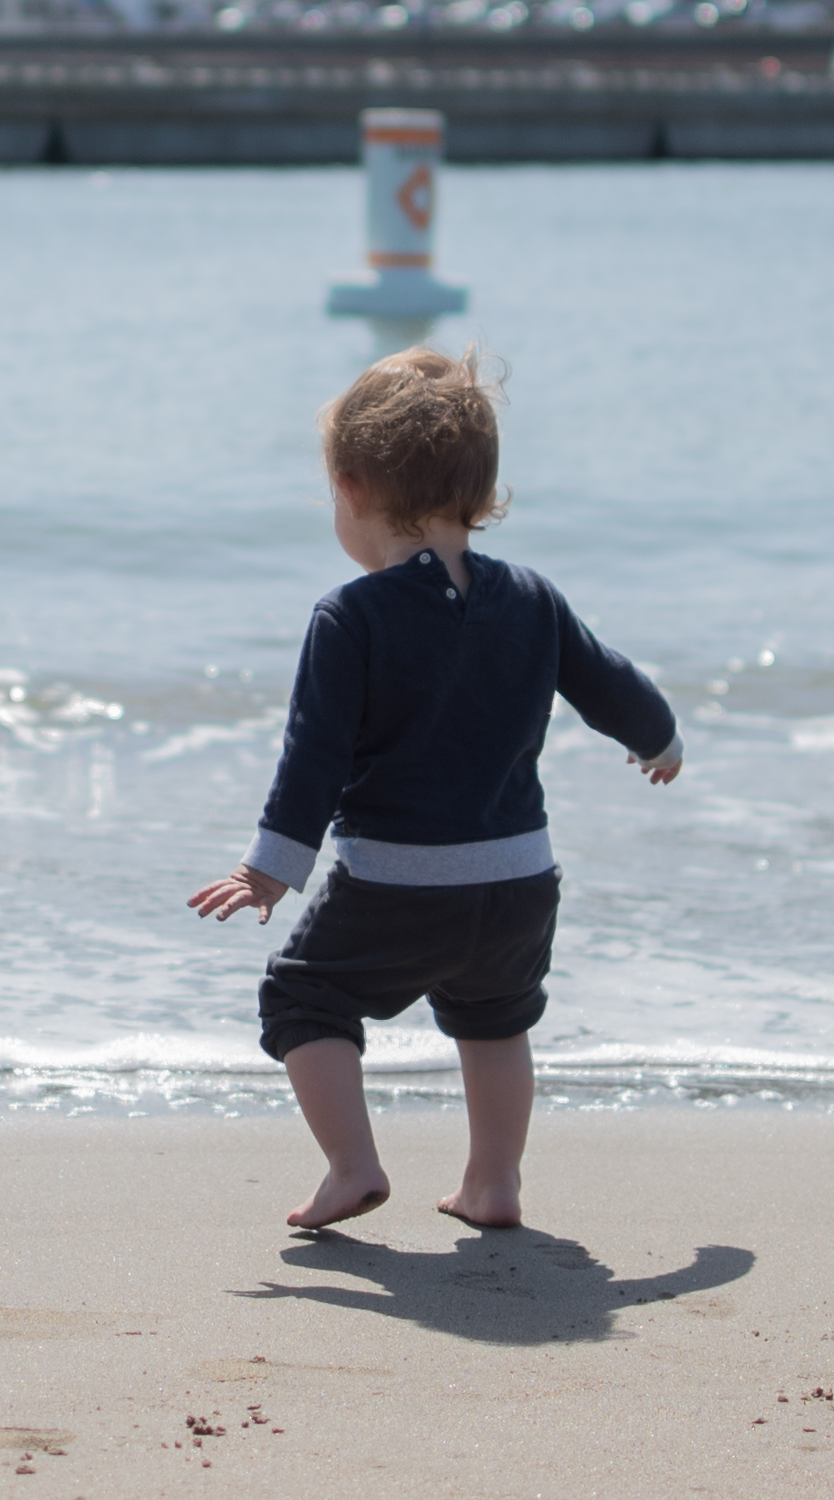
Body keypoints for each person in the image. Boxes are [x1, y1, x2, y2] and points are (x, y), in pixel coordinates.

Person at [191, 348, 678, 1233]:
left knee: (304, 997)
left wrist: (269, 868)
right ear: (480, 487)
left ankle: (352, 1167)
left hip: (395, 884)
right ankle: (493, 1185)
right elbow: (611, 683)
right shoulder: (532, 598)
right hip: (519, 884)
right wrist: (661, 738)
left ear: (351, 487)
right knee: (494, 1023)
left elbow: (315, 756)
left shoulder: (351, 616)